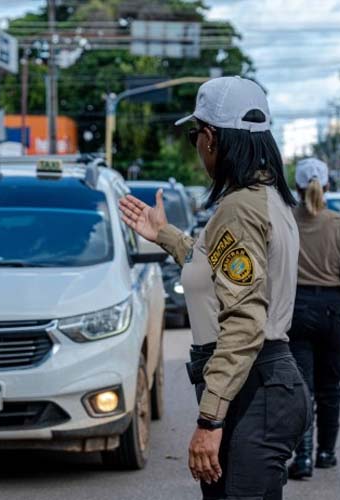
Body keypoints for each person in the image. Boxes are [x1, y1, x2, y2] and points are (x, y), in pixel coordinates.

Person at [119, 76, 311, 499]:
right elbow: (216, 266)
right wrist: (166, 235)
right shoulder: (264, 197)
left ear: (210, 137)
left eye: (195, 135)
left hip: (252, 386)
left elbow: (244, 320)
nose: (197, 146)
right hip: (261, 384)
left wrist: (209, 421)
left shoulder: (239, 208)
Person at [286, 158, 340, 480]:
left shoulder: (285, 221)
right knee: (330, 388)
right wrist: (339, 290)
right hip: (333, 309)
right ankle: (326, 453)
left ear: (296, 187)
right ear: (328, 186)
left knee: (302, 388)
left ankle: (302, 458)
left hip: (296, 308)